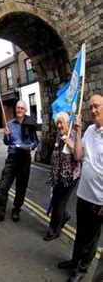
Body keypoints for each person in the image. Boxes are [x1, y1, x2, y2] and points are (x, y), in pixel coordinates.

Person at [58, 95, 103, 282]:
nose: (93, 111)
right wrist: (78, 131)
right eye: (90, 107)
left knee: (92, 239)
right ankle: (75, 261)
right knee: (81, 232)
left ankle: (82, 270)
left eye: (97, 106)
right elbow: (78, 156)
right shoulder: (90, 130)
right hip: (83, 193)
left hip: (99, 199)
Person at [0, 100, 39, 222]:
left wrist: (31, 147)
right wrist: (6, 135)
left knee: (21, 187)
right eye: (17, 108)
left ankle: (16, 210)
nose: (19, 110)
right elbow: (7, 142)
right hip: (12, 158)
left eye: (21, 108)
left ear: (25, 111)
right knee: (3, 186)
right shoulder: (10, 124)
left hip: (24, 158)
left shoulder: (30, 124)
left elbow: (36, 141)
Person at [43, 111, 81, 241]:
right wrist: (53, 175)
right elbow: (56, 156)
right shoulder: (59, 136)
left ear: (67, 123)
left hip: (70, 177)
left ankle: (54, 231)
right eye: (57, 123)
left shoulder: (74, 135)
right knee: (57, 201)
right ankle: (63, 217)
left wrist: (69, 142)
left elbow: (78, 157)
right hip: (58, 176)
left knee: (59, 203)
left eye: (61, 122)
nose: (59, 125)